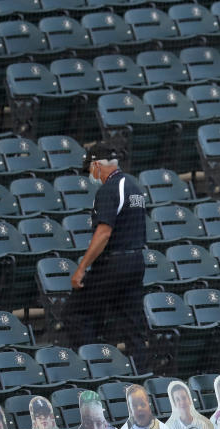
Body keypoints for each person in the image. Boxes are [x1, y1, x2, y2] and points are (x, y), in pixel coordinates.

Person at [66, 145, 147, 368]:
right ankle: (140, 377)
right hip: (136, 261)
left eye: (90, 169)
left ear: (97, 165)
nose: (91, 175)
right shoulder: (134, 186)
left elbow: (104, 232)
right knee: (132, 324)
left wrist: (82, 268)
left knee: (76, 312)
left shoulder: (109, 189)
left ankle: (93, 367)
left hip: (114, 263)